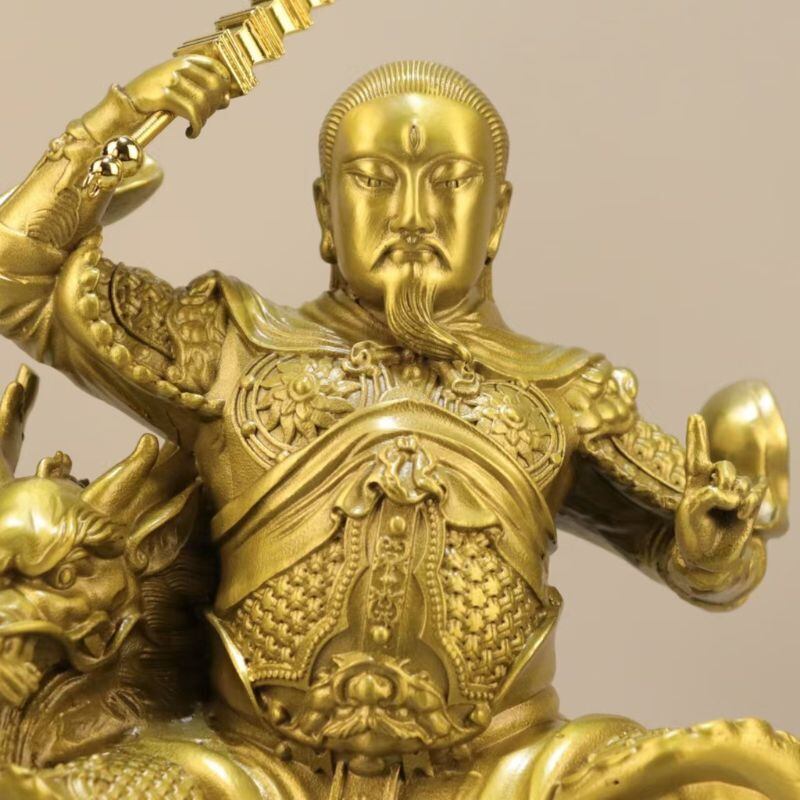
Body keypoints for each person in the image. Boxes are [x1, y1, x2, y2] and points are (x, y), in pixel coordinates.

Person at [0, 54, 793, 799]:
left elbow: (702, 562)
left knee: (726, 779)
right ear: (325, 210)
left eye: (450, 183)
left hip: (506, 774)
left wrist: (711, 546)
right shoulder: (228, 351)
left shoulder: (561, 393)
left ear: (497, 216)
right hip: (252, 771)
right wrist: (126, 115)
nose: (412, 215)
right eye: (375, 181)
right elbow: (17, 277)